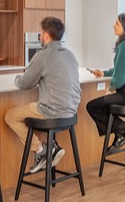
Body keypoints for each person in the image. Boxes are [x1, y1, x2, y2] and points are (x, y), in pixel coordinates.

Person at [5, 17, 81, 173]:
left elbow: (24, 84)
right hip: (72, 112)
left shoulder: (43, 56)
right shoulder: (70, 55)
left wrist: (15, 78)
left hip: (52, 112)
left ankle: (41, 150)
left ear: (46, 35)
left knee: (11, 116)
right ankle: (51, 146)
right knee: (36, 117)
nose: (40, 36)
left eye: (41, 33)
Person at [87, 12, 125, 152]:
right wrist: (104, 73)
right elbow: (120, 69)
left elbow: (120, 78)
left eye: (117, 23)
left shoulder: (124, 46)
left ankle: (123, 128)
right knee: (105, 106)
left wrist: (110, 90)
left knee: (92, 106)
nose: (114, 26)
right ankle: (121, 132)